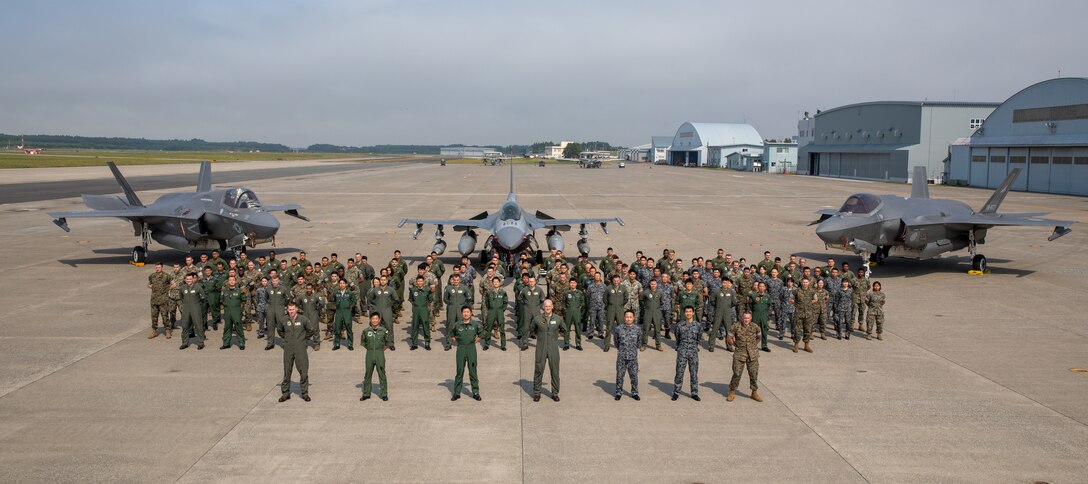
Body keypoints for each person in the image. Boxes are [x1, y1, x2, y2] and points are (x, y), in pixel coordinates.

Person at [277, 302, 316, 402]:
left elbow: (311, 330)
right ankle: (285, 393)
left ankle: (304, 393)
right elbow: (280, 330)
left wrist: (303, 339)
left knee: (303, 371)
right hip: (288, 348)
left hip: (300, 348)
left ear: (297, 309)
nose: (291, 312)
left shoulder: (303, 319)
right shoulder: (283, 320)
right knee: (287, 371)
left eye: (293, 309)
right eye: (289, 310)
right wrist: (286, 339)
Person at [532, 299, 564, 402]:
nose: (548, 308)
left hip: (553, 348)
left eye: (549, 306)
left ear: (552, 307)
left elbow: (565, 329)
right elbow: (532, 329)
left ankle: (555, 393)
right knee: (538, 370)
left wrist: (555, 337)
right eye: (546, 306)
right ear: (543, 307)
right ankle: (537, 393)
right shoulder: (537, 319)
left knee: (555, 371)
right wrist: (541, 337)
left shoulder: (558, 319)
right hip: (541, 347)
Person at [727, 312, 762, 402]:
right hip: (740, 353)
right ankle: (732, 391)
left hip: (752, 354)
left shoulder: (755, 326)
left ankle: (754, 392)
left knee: (754, 373)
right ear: (742, 318)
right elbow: (729, 337)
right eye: (745, 318)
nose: (746, 320)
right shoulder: (736, 326)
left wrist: (754, 345)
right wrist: (735, 345)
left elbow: (759, 336)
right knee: (737, 373)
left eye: (748, 318)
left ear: (751, 318)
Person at [450, 306, 482, 401]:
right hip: (461, 348)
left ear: (471, 313)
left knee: (472, 370)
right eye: (464, 312)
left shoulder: (475, 324)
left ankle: (475, 392)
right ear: (461, 313)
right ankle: (456, 392)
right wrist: (459, 341)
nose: (466, 314)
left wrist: (476, 340)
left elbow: (481, 333)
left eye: (468, 312)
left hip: (471, 348)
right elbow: (452, 335)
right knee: (459, 370)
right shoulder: (457, 325)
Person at [359, 313, 392, 401]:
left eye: (376, 319)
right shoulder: (366, 331)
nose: (374, 320)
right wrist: (370, 349)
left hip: (379, 353)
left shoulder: (384, 331)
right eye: (373, 319)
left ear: (379, 320)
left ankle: (384, 394)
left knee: (382, 373)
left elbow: (388, 343)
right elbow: (364, 343)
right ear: (370, 320)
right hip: (369, 353)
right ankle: (366, 393)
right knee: (368, 373)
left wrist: (380, 350)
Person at [672, 306, 702, 401]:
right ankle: (676, 392)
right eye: (686, 312)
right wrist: (680, 347)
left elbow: (698, 338)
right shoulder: (680, 325)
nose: (688, 313)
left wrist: (693, 346)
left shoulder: (697, 325)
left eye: (690, 311)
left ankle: (694, 393)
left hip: (693, 351)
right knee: (679, 373)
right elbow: (677, 338)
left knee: (693, 373)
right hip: (682, 352)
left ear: (693, 313)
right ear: (684, 313)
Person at [613, 310, 641, 400]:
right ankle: (618, 392)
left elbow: (639, 342)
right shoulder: (618, 329)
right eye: (627, 317)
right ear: (624, 318)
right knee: (620, 376)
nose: (628, 319)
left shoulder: (637, 329)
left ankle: (634, 392)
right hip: (622, 357)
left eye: (630, 317)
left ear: (633, 318)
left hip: (633, 357)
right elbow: (616, 342)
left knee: (634, 376)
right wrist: (621, 350)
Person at [707, 278, 738, 352]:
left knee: (729, 330)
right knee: (715, 329)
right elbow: (712, 300)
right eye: (724, 283)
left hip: (727, 312)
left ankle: (729, 346)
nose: (725, 284)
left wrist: (728, 306)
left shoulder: (731, 292)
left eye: (727, 283)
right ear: (721, 283)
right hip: (718, 312)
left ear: (729, 283)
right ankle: (711, 345)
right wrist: (717, 306)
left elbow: (734, 302)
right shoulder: (717, 291)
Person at [443, 273, 472, 351]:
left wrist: (464, 304)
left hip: (460, 309)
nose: (456, 281)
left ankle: (461, 342)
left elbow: (469, 297)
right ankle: (448, 343)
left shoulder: (464, 288)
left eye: (457, 280)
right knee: (450, 325)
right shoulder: (448, 288)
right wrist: (451, 304)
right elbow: (445, 299)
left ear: (460, 280)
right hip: (451, 308)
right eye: (454, 280)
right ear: (452, 280)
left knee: (461, 325)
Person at [178, 273, 206, 350]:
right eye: (187, 279)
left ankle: (200, 343)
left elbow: (203, 297)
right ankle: (184, 343)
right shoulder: (182, 288)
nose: (189, 280)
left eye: (190, 279)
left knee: (198, 325)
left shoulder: (198, 287)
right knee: (185, 326)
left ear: (193, 279)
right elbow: (181, 297)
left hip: (195, 308)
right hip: (186, 309)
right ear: (185, 280)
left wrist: (196, 304)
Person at [220, 275, 246, 350]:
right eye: (230, 280)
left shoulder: (240, 290)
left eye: (233, 280)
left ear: (236, 281)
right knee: (227, 327)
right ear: (228, 281)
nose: (231, 281)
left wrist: (240, 309)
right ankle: (226, 343)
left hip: (236, 311)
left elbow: (244, 300)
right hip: (227, 311)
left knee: (238, 327)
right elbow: (221, 299)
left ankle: (241, 343)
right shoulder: (224, 290)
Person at [518, 277, 545, 351]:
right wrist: (525, 304)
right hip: (527, 310)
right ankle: (525, 343)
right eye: (530, 281)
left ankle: (540, 344)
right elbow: (519, 298)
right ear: (528, 282)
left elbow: (543, 298)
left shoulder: (539, 290)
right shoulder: (524, 290)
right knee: (526, 327)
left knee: (539, 327)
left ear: (535, 282)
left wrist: (539, 305)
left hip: (536, 310)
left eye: (533, 281)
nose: (531, 283)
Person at [792, 277, 817, 353]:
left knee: (807, 329)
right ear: (801, 283)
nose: (805, 283)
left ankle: (806, 345)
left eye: (806, 282)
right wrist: (796, 304)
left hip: (808, 314)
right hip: (798, 314)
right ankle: (796, 345)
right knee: (797, 330)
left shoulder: (812, 291)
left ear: (808, 283)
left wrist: (809, 303)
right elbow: (790, 298)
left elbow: (816, 299)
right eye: (804, 282)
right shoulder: (796, 291)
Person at [331, 279, 357, 351]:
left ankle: (350, 344)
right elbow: (332, 300)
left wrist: (350, 307)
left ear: (346, 284)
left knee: (348, 328)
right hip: (339, 312)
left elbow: (354, 300)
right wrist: (334, 306)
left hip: (347, 312)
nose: (341, 284)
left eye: (343, 283)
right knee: (337, 328)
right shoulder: (336, 292)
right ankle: (336, 344)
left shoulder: (349, 293)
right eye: (340, 283)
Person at [602, 275, 627, 351]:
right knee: (609, 327)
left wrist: (621, 304)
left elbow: (626, 298)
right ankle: (607, 344)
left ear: (620, 280)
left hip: (620, 309)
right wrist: (609, 305)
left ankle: (621, 344)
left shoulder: (623, 288)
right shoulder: (608, 288)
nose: (616, 282)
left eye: (617, 280)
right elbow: (604, 298)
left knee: (621, 327)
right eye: (615, 280)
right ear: (612, 280)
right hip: (611, 309)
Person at [408, 276, 433, 350]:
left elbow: (430, 300)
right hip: (415, 309)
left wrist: (424, 307)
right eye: (418, 281)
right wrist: (416, 305)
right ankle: (414, 344)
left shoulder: (427, 290)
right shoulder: (413, 290)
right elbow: (411, 299)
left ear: (423, 282)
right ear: (416, 282)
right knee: (415, 326)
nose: (419, 283)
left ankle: (427, 343)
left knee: (426, 326)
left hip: (424, 309)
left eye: (421, 281)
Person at [264, 276, 289, 350]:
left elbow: (286, 299)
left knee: (281, 326)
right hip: (270, 309)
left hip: (280, 309)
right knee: (270, 326)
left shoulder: (283, 289)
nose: (275, 282)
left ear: (278, 281)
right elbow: (266, 298)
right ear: (271, 281)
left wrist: (282, 304)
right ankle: (270, 343)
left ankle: (285, 343)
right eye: (273, 281)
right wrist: (270, 304)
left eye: (276, 281)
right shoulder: (268, 289)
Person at [483, 276, 508, 351]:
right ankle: (486, 344)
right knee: (489, 328)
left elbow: (505, 302)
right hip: (491, 311)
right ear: (492, 283)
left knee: (502, 329)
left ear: (500, 283)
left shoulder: (503, 292)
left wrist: (501, 310)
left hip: (500, 311)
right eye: (494, 282)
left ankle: (503, 345)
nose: (496, 283)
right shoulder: (489, 292)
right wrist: (491, 309)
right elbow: (486, 302)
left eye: (497, 282)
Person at [148, 262, 172, 339]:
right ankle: (154, 331)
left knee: (165, 316)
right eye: (156, 267)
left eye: (159, 267)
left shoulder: (166, 276)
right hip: (154, 300)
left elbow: (173, 284)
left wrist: (166, 289)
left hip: (163, 300)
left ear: (162, 267)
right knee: (154, 316)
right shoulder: (152, 276)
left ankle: (168, 330)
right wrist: (150, 286)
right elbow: (149, 283)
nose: (157, 269)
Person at [640, 279, 664, 351]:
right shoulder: (645, 292)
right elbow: (641, 300)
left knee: (657, 329)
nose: (653, 285)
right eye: (652, 284)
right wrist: (646, 306)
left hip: (656, 312)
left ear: (656, 285)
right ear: (649, 284)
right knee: (645, 329)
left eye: (654, 284)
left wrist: (656, 307)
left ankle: (658, 345)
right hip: (648, 312)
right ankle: (644, 344)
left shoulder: (660, 292)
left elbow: (661, 301)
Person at [563, 278, 585, 351]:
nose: (572, 284)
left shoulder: (580, 292)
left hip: (577, 312)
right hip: (568, 312)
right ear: (569, 284)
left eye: (574, 283)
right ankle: (566, 344)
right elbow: (564, 302)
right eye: (571, 283)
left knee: (578, 328)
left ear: (576, 284)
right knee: (567, 328)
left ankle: (578, 344)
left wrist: (579, 310)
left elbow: (582, 302)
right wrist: (566, 310)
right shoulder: (566, 293)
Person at [749, 282, 772, 352]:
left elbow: (769, 305)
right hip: (755, 314)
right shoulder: (753, 296)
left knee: (764, 330)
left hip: (764, 315)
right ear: (758, 287)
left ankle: (764, 345)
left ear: (765, 288)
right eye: (760, 286)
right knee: (753, 330)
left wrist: (765, 313)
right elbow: (750, 305)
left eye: (763, 286)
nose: (761, 288)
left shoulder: (768, 296)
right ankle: (752, 345)